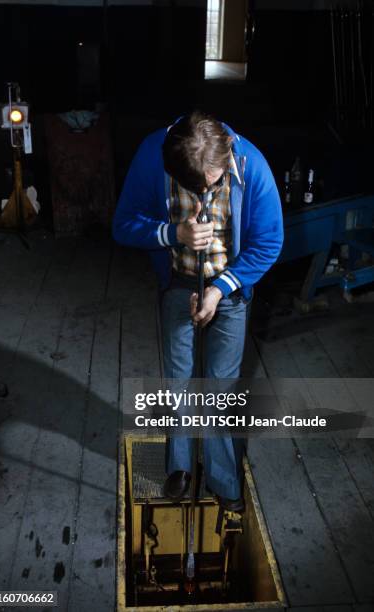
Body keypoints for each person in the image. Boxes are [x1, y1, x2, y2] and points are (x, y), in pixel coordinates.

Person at [113, 111, 283, 512]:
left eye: (212, 183)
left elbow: (269, 242)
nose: (205, 193)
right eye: (195, 187)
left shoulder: (252, 166)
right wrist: (173, 233)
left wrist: (220, 290)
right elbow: (123, 225)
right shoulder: (152, 155)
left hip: (231, 289)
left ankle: (224, 481)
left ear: (226, 159)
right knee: (180, 381)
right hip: (179, 284)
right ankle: (181, 466)